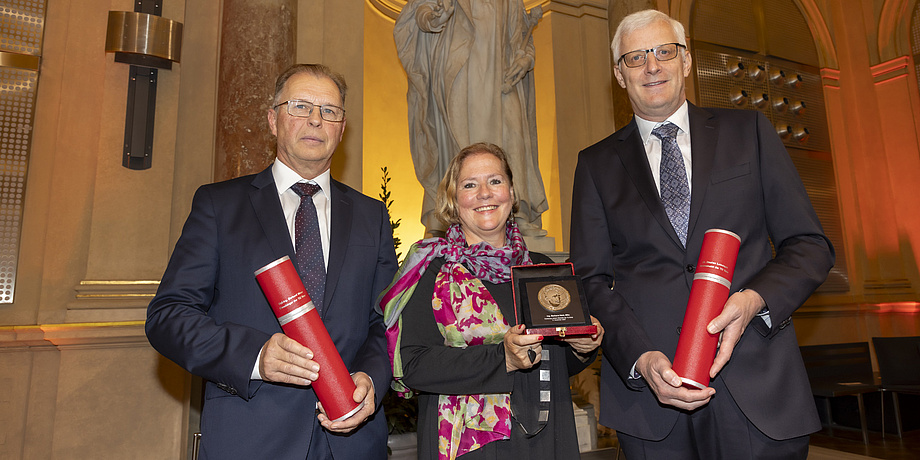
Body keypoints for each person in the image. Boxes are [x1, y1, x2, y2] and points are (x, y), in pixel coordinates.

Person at [569, 9, 835, 459]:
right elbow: (589, 280)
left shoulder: (749, 132)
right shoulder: (595, 165)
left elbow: (809, 245)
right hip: (653, 401)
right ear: (619, 74)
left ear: (686, 61)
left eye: (664, 52)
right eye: (636, 58)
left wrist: (754, 301)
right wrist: (640, 358)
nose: (652, 66)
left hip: (758, 387)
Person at [146, 64, 398, 460]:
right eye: (300, 106)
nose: (316, 119)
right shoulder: (220, 206)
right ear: (272, 120)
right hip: (251, 438)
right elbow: (168, 317)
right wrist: (255, 357)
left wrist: (371, 377)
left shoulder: (372, 216)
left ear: (342, 128)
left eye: (329, 110)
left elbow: (384, 322)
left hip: (352, 441)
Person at [379, 142, 603, 460]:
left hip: (546, 440)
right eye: (470, 184)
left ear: (510, 193)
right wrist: (503, 358)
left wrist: (583, 348)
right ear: (453, 201)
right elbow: (413, 365)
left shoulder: (542, 268)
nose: (485, 193)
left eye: (495, 181)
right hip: (465, 446)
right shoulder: (431, 270)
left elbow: (552, 361)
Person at [394, 0, 548, 237]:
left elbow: (521, 35)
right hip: (459, 71)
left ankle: (517, 213)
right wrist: (433, 17)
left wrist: (526, 58)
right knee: (460, 148)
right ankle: (449, 216)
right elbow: (420, 13)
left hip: (502, 75)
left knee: (514, 142)